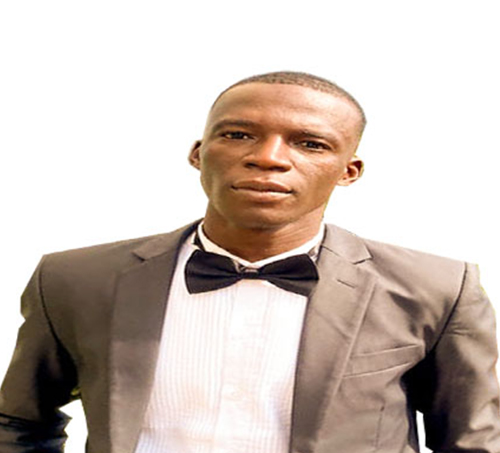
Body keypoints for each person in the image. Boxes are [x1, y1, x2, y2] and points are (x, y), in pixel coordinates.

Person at [0, 71, 499, 453]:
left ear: (349, 170)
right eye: (238, 135)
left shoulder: (436, 289)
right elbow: (19, 423)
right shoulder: (76, 280)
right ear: (198, 153)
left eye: (310, 143)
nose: (269, 158)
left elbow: (475, 442)